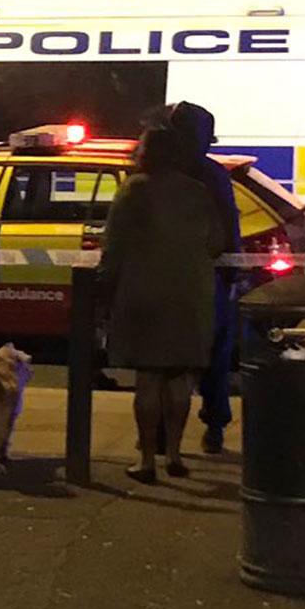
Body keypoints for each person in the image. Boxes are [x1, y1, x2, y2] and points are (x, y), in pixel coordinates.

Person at [98, 127, 231, 484]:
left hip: (145, 293)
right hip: (191, 293)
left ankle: (146, 460)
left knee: (148, 378)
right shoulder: (198, 191)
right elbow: (217, 241)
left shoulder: (134, 191)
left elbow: (113, 248)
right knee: (179, 379)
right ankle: (174, 453)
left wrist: (103, 294)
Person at [168, 101, 244, 454]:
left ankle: (159, 440)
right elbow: (229, 223)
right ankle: (214, 424)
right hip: (207, 276)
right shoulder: (212, 175)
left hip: (168, 277)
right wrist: (233, 269)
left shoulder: (157, 171)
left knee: (167, 361)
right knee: (213, 353)